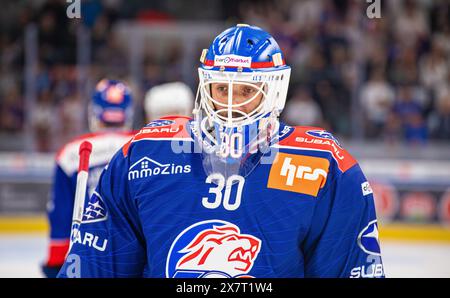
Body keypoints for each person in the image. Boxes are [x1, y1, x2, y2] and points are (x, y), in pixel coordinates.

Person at [58, 24, 384, 278]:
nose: (231, 104)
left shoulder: (322, 164)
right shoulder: (145, 152)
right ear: (205, 86)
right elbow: (99, 261)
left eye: (246, 91)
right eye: (221, 89)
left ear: (274, 92)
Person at [42, 79, 135, 277]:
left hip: (87, 253)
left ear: (94, 111)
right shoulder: (145, 144)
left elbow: (61, 214)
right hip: (134, 254)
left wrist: (55, 262)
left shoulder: (70, 152)